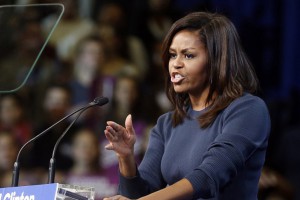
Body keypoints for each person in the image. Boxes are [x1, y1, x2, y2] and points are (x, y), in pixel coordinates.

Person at [103, 11, 271, 200]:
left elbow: (208, 177)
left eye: (188, 56)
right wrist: (126, 158)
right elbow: (143, 194)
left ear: (218, 61)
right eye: (173, 55)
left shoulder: (248, 110)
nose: (176, 64)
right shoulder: (167, 123)